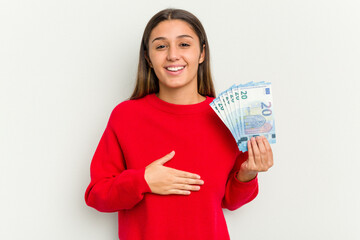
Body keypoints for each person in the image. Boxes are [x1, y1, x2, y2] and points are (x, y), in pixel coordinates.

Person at [84, 8, 273, 240]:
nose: (173, 55)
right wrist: (143, 180)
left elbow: (231, 202)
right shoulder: (126, 116)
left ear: (202, 53)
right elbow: (97, 195)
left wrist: (248, 173)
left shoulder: (227, 116)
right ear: (148, 58)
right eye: (161, 46)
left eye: (184, 44)